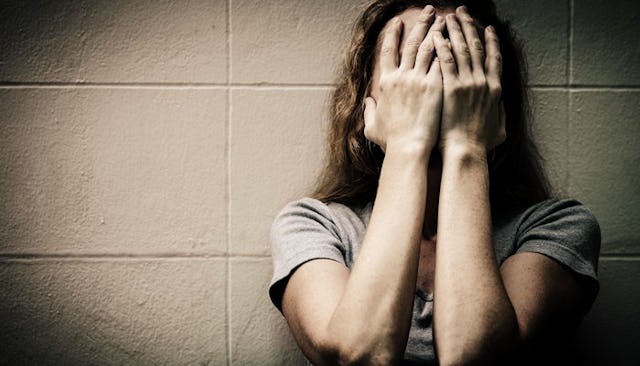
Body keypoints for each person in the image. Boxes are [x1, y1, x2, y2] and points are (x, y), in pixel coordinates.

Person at [268, 1, 601, 365]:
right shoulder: (313, 225)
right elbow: (361, 356)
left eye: (459, 60)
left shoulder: (560, 227)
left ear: (495, 99)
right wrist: (406, 147)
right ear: (367, 102)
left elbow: (474, 355)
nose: (434, 81)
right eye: (411, 62)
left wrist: (467, 145)